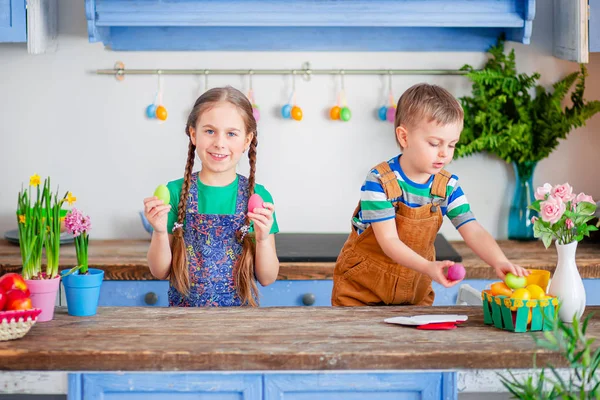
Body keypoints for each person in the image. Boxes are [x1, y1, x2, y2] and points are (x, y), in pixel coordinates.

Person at [331, 83, 528, 306]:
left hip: (414, 292)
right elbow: (389, 241)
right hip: (362, 292)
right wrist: (427, 266)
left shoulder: (448, 186)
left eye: (452, 145)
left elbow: (472, 228)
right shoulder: (379, 181)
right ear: (404, 138)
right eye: (435, 143)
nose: (444, 153)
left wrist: (499, 261)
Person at [143, 86, 279, 307]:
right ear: (193, 134)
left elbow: (267, 277)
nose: (219, 142)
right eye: (210, 131)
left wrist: (262, 239)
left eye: (231, 133)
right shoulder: (176, 192)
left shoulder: (257, 197)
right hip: (184, 325)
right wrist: (159, 231)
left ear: (247, 140)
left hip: (240, 326)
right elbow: (159, 272)